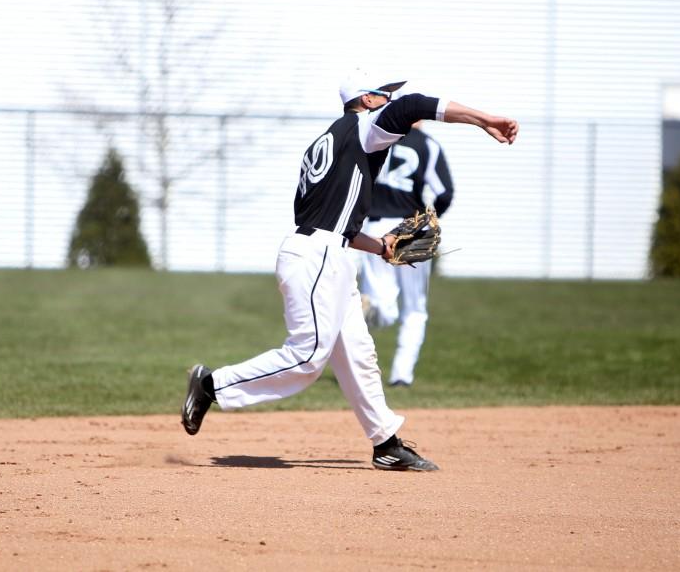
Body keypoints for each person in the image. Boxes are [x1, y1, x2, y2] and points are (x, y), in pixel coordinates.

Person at [181, 69, 518, 472]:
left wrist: (381, 248)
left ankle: (386, 443)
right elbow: (416, 106)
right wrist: (486, 120)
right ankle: (210, 384)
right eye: (387, 94)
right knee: (306, 357)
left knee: (358, 354)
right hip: (318, 258)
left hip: (325, 252)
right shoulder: (363, 128)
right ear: (369, 99)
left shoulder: (330, 143)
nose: (394, 101)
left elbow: (335, 224)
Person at [359, 122, 453, 387]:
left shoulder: (375, 139)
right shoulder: (427, 144)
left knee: (383, 307)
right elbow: (445, 193)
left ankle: (370, 309)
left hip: (373, 229)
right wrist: (429, 221)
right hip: (409, 227)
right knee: (414, 309)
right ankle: (401, 375)